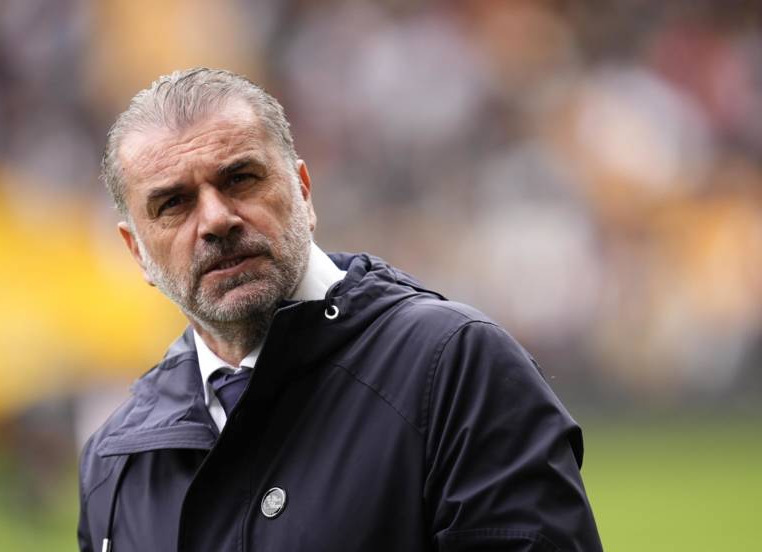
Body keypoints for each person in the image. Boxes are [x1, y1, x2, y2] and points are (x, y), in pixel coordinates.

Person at [78, 67, 602, 552]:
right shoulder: (116, 461)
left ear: (303, 192)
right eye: (174, 203)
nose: (216, 219)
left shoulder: (454, 366)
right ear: (137, 251)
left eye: (240, 178)